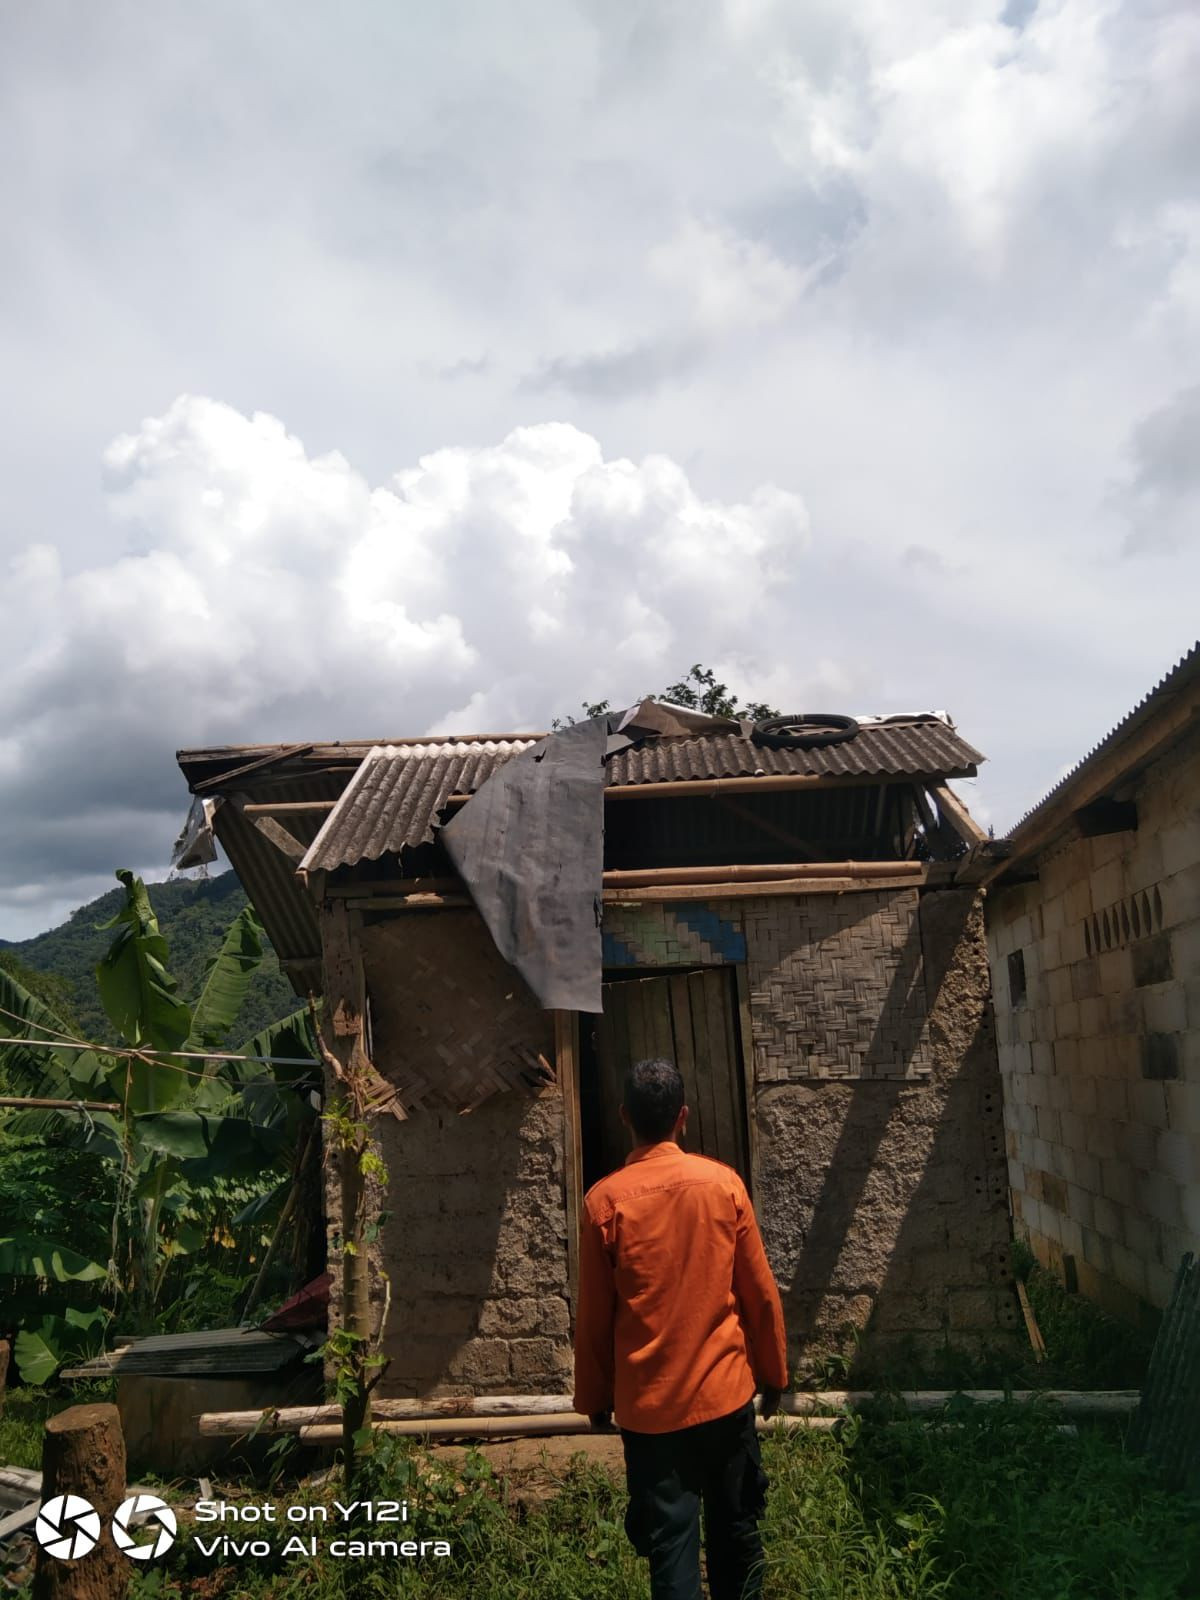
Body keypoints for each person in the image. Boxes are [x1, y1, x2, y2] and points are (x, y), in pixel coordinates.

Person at [573, 1057, 789, 1600]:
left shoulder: (604, 1204)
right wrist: (773, 1375)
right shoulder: (724, 1187)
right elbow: (760, 1295)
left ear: (624, 1117)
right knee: (737, 1536)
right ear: (684, 1118)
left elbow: (596, 1317)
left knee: (670, 1550)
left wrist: (595, 1397)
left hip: (652, 1416)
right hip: (726, 1398)